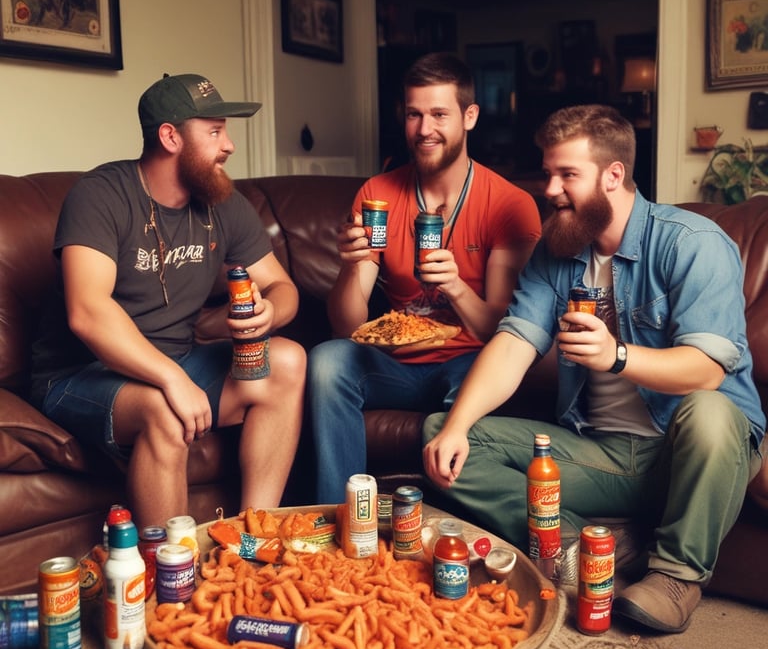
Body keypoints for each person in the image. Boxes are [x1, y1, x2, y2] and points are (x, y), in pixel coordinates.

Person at [423, 104, 765, 633]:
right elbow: (515, 340)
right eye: (548, 173)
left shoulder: (692, 245)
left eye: (567, 175)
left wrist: (617, 356)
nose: (550, 189)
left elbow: (705, 371)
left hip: (687, 451)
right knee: (445, 435)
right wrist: (457, 426)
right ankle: (594, 546)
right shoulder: (557, 251)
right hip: (600, 451)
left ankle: (676, 577)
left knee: (711, 412)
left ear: (613, 175)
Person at [29, 73, 306, 529]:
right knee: (165, 408)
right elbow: (87, 312)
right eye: (215, 132)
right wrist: (171, 378)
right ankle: (173, 580)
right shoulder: (100, 195)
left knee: (289, 360)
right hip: (79, 374)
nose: (229, 145)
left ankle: (254, 536)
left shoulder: (221, 201)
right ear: (170, 136)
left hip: (176, 359)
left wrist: (271, 311)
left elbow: (284, 287)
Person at [307, 52, 541, 505]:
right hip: (394, 361)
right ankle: (341, 516)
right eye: (414, 114)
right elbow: (345, 325)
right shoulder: (377, 194)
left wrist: (455, 286)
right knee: (327, 360)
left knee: (481, 382)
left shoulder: (508, 204)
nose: (424, 129)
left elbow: (505, 333)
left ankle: (454, 527)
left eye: (439, 114)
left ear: (469, 116)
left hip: (468, 361)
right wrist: (352, 266)